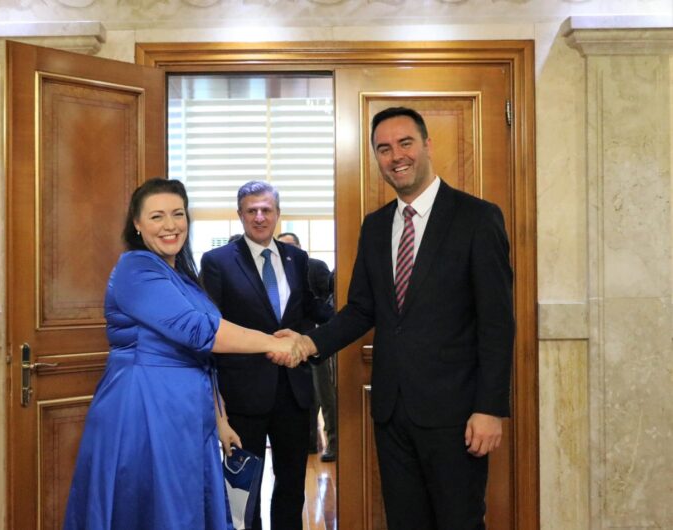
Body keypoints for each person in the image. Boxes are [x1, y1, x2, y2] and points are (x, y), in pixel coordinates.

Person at [271, 107, 515, 530]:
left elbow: (497, 321)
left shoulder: (477, 217)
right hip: (391, 412)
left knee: (460, 521)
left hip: (456, 414)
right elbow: (361, 309)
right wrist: (308, 343)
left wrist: (490, 408)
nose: (396, 156)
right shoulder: (375, 226)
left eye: (405, 143)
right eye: (384, 149)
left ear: (427, 145)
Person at [63, 178, 301, 530]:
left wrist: (219, 420)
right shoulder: (135, 269)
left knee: (185, 508)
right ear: (137, 224)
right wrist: (274, 342)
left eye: (177, 214)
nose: (170, 225)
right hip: (145, 410)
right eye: (157, 216)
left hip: (187, 413)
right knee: (155, 510)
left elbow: (202, 358)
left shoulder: (181, 275)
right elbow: (199, 331)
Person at [200, 181, 333, 530]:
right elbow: (212, 325)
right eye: (251, 211)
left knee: (291, 483)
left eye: (266, 210)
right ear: (240, 214)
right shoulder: (217, 262)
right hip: (244, 393)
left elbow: (308, 311)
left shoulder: (297, 258)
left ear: (277, 213)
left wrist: (346, 311)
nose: (259, 217)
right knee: (246, 487)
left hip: (293, 390)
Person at [276, 232, 337, 463]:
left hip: (315, 343)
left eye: (291, 245)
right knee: (299, 398)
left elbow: (327, 299)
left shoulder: (314, 266)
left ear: (300, 247)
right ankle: (309, 442)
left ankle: (333, 443)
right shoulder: (273, 271)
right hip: (284, 346)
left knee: (324, 395)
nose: (287, 249)